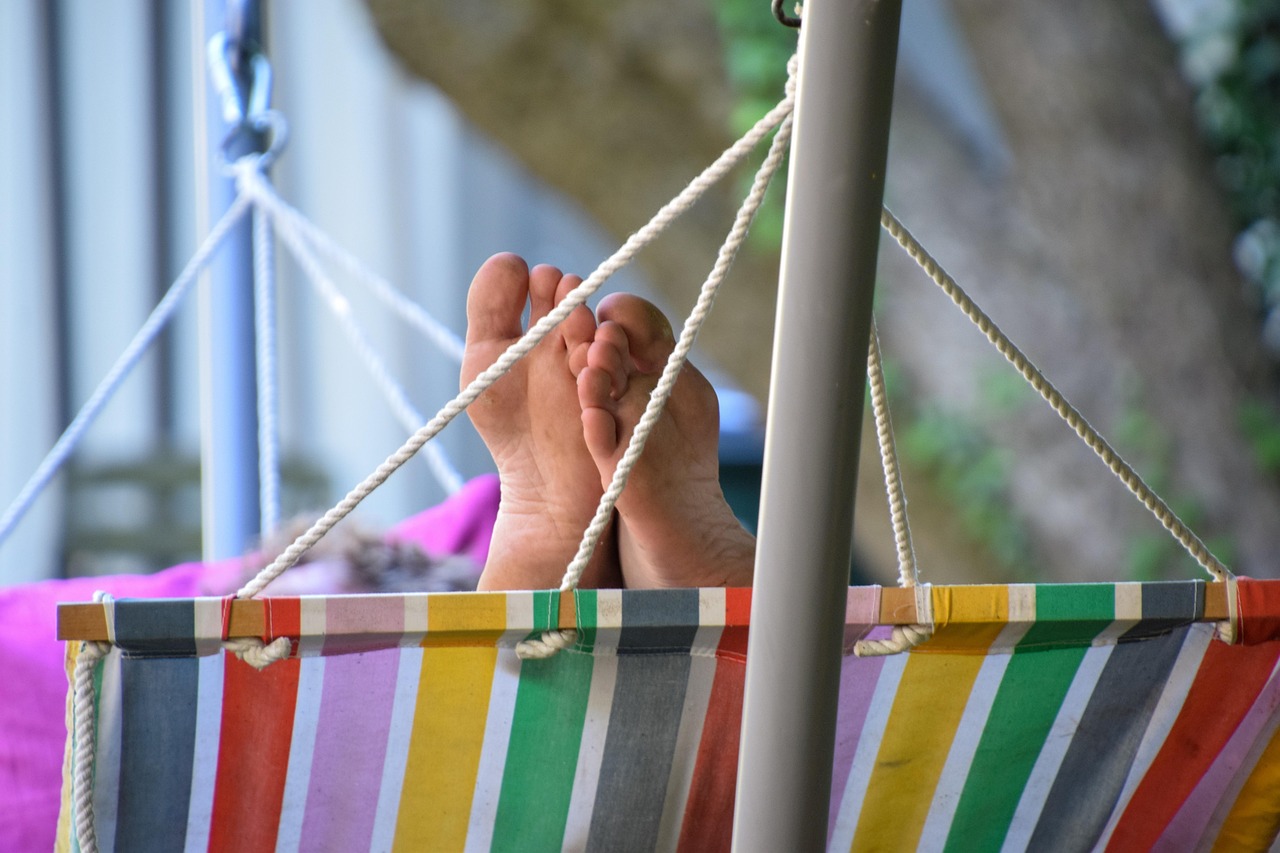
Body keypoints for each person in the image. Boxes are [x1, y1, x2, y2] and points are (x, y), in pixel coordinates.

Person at [461, 252, 756, 591]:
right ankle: (667, 569)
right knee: (789, 620)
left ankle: (560, 561)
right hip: (788, 636)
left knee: (504, 633)